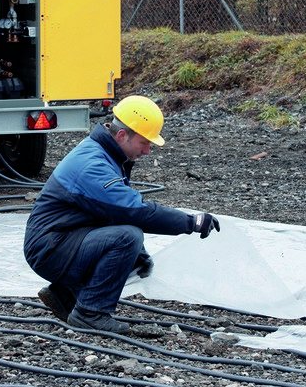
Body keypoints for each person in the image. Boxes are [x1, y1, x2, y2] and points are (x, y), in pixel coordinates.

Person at [22, 95, 221, 334]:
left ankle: (67, 293)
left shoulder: (107, 153)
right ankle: (90, 313)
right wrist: (191, 222)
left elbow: (111, 211)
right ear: (122, 135)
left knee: (136, 254)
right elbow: (134, 211)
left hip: (62, 239)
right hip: (50, 249)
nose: (148, 151)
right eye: (144, 143)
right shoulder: (92, 166)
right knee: (128, 237)